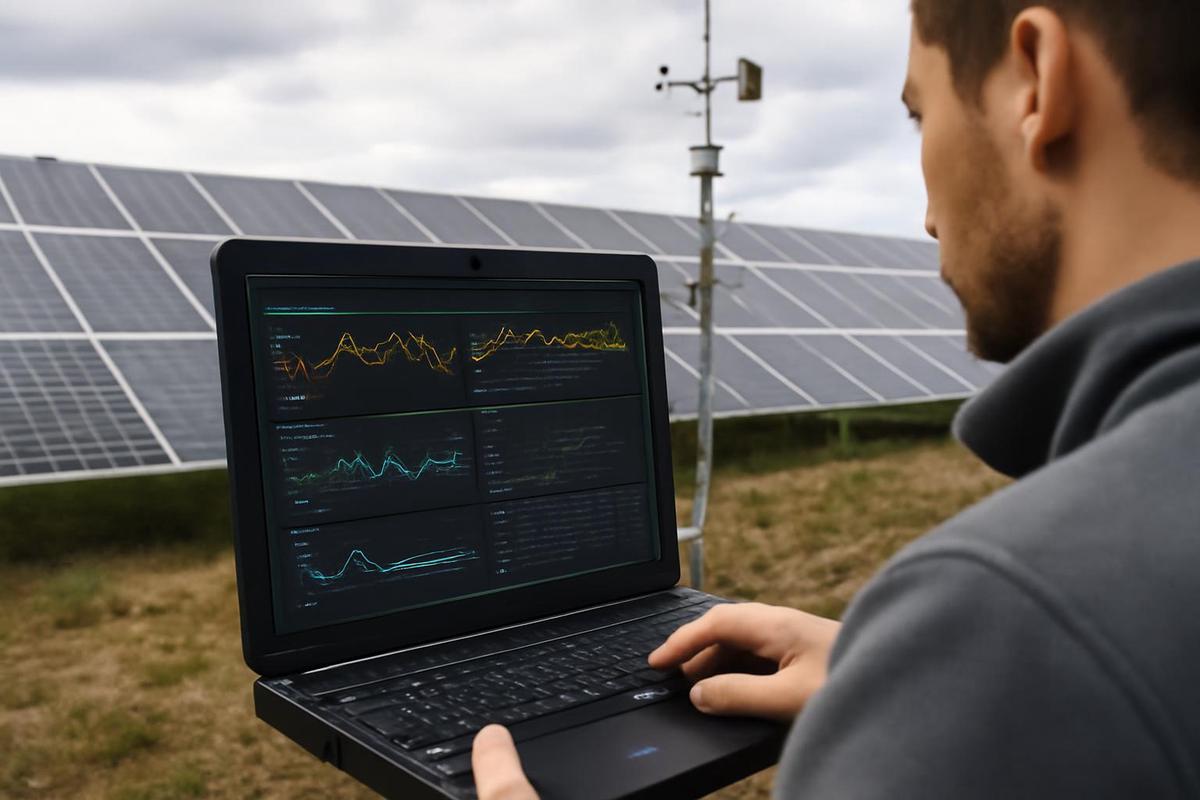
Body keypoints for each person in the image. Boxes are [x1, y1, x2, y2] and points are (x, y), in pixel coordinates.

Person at [472, 0, 1200, 796]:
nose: (924, 219)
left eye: (920, 114)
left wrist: (953, 688)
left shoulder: (1021, 622)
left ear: (1034, 78)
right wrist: (888, 673)